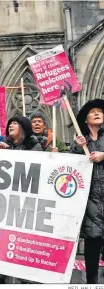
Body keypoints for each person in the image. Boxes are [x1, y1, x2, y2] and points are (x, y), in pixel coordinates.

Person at [0, 116, 42, 284]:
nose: (11, 126)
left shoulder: (33, 146)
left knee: (22, 238)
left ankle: (24, 275)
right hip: (6, 198)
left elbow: (33, 167)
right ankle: (0, 274)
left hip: (25, 199)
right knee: (3, 237)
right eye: (10, 123)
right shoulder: (2, 145)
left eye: (15, 123)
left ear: (24, 128)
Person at [70, 98, 104, 284]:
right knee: (91, 253)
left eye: (100, 111)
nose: (98, 113)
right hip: (90, 203)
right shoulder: (80, 142)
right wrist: (76, 147)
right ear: (85, 120)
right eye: (93, 111)